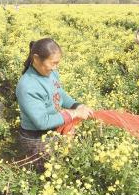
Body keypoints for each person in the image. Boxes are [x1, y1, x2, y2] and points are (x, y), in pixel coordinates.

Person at [16, 38, 93, 170]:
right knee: (47, 176)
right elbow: (42, 122)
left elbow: (59, 93)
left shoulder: (50, 73)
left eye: (57, 63)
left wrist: (77, 105)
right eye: (53, 63)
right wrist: (73, 114)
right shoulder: (27, 85)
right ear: (36, 58)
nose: (55, 67)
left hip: (54, 129)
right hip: (36, 139)